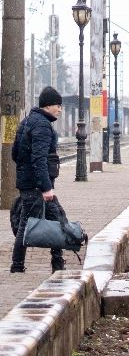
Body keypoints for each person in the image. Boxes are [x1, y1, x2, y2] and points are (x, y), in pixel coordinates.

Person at [10, 87, 66, 273]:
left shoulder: (27, 121)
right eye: (58, 105)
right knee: (41, 221)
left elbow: (15, 153)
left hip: (29, 183)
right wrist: (45, 187)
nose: (60, 109)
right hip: (37, 185)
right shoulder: (42, 125)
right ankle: (54, 265)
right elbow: (39, 159)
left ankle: (23, 265)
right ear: (49, 105)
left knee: (43, 219)